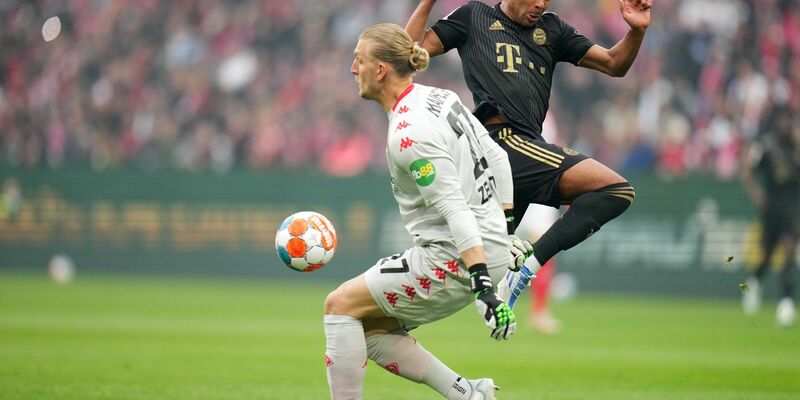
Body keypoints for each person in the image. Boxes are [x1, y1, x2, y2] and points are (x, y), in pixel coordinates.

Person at [405, 0, 650, 307]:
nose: (540, 4)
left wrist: (636, 31)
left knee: (457, 272)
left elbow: (614, 64)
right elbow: (408, 54)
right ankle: (526, 268)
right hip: (501, 143)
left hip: (525, 150)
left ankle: (387, 312)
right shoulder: (474, 16)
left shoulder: (552, 29)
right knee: (616, 189)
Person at [324, 23, 519, 399]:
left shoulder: (409, 136)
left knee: (339, 306)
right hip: (483, 245)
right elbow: (496, 157)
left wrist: (482, 284)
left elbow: (453, 208)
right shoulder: (440, 97)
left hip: (455, 257)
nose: (352, 68)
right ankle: (469, 394)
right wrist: (505, 230)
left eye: (358, 59)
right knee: (367, 328)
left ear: (380, 70)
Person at [740, 105, 798, 327]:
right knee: (766, 256)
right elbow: (746, 172)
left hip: (793, 210)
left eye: (790, 120)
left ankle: (786, 303)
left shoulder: (794, 146)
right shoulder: (766, 146)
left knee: (789, 252)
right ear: (776, 122)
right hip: (772, 210)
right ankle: (752, 283)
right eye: (784, 119)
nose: (788, 124)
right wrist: (758, 197)